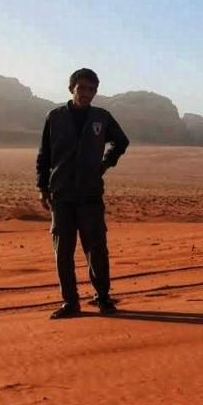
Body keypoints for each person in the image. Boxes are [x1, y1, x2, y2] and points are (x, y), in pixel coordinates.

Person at [36, 68, 130, 319]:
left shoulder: (102, 117)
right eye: (82, 88)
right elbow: (44, 155)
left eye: (91, 89)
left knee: (96, 249)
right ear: (72, 89)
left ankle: (103, 298)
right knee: (63, 251)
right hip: (62, 194)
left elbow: (121, 141)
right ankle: (70, 302)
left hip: (89, 194)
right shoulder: (55, 117)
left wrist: (104, 164)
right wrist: (42, 188)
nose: (87, 93)